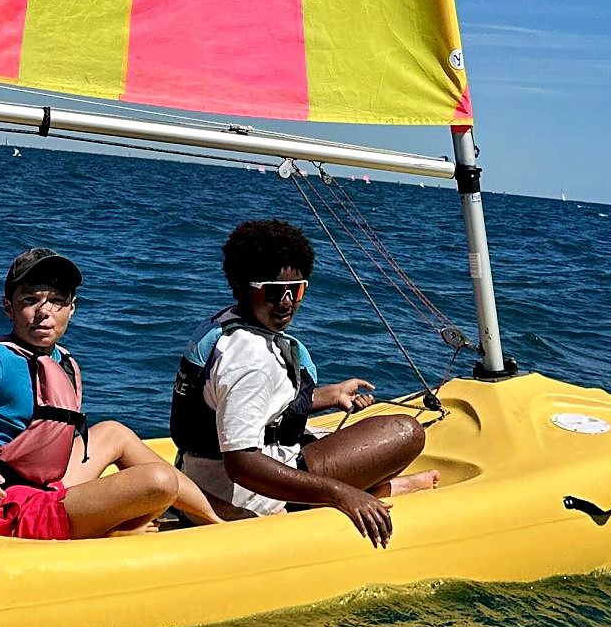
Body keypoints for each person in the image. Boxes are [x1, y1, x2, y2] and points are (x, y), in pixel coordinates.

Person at [0, 247, 221, 540]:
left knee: (114, 432)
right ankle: (114, 534)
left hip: (40, 492)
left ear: (71, 308)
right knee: (158, 481)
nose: (44, 312)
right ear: (8, 307)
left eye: (56, 300)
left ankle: (218, 525)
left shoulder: (63, 361)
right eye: (30, 299)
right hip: (0, 514)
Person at [170, 219, 434, 544]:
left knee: (332, 436)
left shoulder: (223, 327)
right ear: (241, 285)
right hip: (248, 497)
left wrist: (328, 395)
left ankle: (364, 487)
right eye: (274, 292)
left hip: (199, 478)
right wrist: (341, 494)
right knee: (406, 432)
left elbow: (251, 406)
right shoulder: (250, 358)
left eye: (296, 290)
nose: (287, 303)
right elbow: (241, 463)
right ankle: (376, 492)